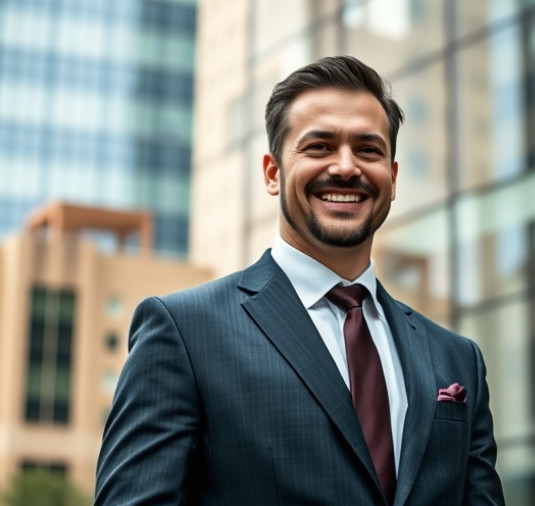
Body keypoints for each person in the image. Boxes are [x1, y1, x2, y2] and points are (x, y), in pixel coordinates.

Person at [95, 55, 505, 505]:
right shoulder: (184, 331)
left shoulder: (457, 359)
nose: (346, 167)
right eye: (319, 147)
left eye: (368, 150)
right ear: (273, 173)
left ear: (392, 176)